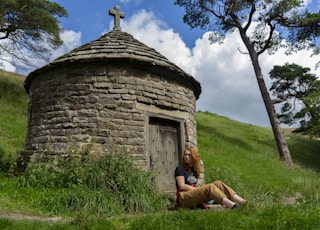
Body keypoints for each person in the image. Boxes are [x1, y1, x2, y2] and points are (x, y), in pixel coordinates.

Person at [175, 146, 246, 209]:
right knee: (210, 187)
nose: (186, 157)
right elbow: (182, 186)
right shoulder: (180, 168)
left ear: (194, 157)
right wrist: (198, 189)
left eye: (189, 155)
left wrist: (198, 190)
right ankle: (233, 206)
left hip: (192, 195)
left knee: (218, 183)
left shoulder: (194, 169)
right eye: (185, 155)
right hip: (183, 197)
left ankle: (244, 203)